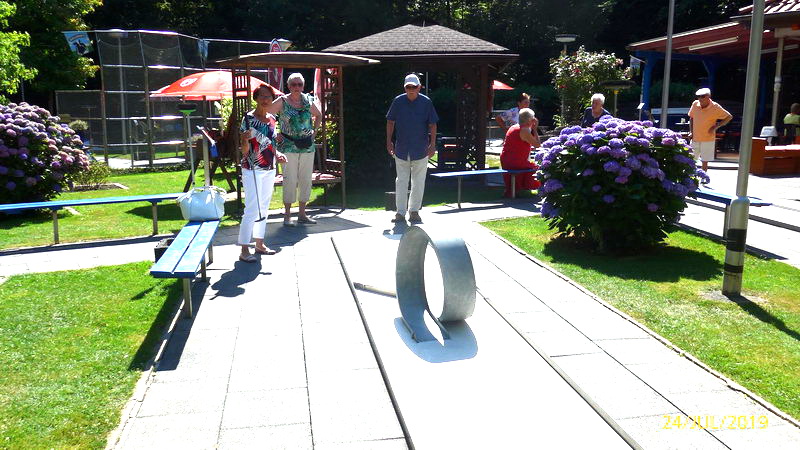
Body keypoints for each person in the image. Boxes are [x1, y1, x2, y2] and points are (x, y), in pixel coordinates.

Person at [265, 72, 322, 225]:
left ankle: (302, 214)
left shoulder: (308, 100)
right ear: (288, 86)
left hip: (307, 146)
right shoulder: (282, 101)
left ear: (303, 86)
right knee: (289, 180)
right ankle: (287, 215)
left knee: (306, 179)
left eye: (300, 84)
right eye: (294, 84)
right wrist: (274, 133)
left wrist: (314, 133)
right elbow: (266, 114)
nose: (297, 87)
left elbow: (319, 115)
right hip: (288, 146)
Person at [238, 85, 287, 263]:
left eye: (268, 97)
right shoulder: (248, 119)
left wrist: (278, 154)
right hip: (252, 168)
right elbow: (245, 151)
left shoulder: (272, 119)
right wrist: (244, 140)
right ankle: (244, 249)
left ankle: (259, 244)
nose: (265, 100)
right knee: (251, 208)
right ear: (256, 98)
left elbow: (271, 144)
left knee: (264, 207)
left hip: (269, 168)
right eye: (262, 96)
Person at [386, 73, 439, 224]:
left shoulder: (426, 102)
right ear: (404, 87)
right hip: (402, 148)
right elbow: (390, 121)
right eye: (408, 87)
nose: (411, 89)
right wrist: (389, 141)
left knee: (418, 182)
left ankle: (414, 211)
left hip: (420, 148)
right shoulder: (398, 101)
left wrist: (432, 145)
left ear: (419, 87)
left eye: (413, 87)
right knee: (401, 181)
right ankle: (400, 213)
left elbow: (433, 124)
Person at [688, 88, 732, 172]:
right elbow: (691, 118)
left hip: (708, 139)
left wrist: (716, 127)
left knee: (704, 161)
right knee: (691, 159)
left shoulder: (715, 107)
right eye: (698, 96)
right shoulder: (695, 104)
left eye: (702, 96)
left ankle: (703, 177)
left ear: (708, 96)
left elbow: (729, 117)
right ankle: (689, 177)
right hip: (695, 138)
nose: (700, 98)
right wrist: (691, 132)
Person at [500, 108, 540, 198]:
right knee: (538, 168)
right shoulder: (524, 130)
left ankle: (516, 190)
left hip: (506, 159)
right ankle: (531, 187)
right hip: (515, 161)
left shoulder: (514, 127)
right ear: (529, 120)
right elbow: (537, 145)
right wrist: (535, 129)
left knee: (529, 166)